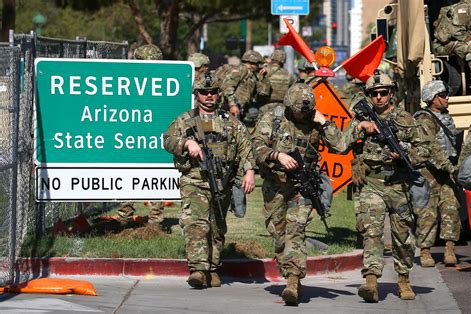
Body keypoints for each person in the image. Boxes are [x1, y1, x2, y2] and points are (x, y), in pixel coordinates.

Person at [251, 83, 347, 305]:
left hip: (301, 187)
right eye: (298, 111)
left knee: (296, 230)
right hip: (275, 186)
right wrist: (277, 155)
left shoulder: (316, 121)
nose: (302, 115)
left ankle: (293, 281)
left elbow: (341, 146)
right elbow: (256, 146)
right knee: (278, 234)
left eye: (306, 111)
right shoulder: (273, 118)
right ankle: (290, 272)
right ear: (288, 106)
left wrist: (324, 122)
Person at [344, 70, 431, 303]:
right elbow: (342, 144)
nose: (379, 97)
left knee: (402, 236)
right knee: (371, 232)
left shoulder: (405, 119)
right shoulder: (362, 119)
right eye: (374, 93)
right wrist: (361, 126)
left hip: (399, 184)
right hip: (372, 183)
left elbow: (425, 150)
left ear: (392, 93)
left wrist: (405, 155)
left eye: (384, 92)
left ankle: (403, 280)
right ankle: (371, 281)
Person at [163, 72, 256, 288]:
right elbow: (167, 140)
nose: (209, 96)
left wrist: (249, 170)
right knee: (196, 224)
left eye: (213, 92)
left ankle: (213, 268)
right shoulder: (185, 120)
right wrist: (186, 143)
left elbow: (246, 147)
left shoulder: (230, 123)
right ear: (197, 95)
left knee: (217, 226)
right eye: (204, 92)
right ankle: (198, 269)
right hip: (194, 181)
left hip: (221, 183)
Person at [413, 80, 462, 267]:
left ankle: (450, 249)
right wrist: (451, 169)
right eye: (442, 95)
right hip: (428, 173)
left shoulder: (446, 117)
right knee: (427, 214)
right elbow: (432, 149)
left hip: (445, 171)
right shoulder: (424, 119)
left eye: (446, 94)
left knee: (451, 209)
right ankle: (425, 252)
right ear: (431, 98)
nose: (447, 97)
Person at [116, 43, 165, 226]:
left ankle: (151, 222)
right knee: (129, 176)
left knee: (156, 178)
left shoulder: (166, 82)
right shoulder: (126, 82)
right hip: (132, 138)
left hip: (152, 139)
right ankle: (127, 219)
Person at [433, 0, 471, 93]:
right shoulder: (463, 7)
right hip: (444, 45)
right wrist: (470, 38)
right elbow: (457, 32)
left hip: (457, 42)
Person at [220, 50, 270, 119]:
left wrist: (264, 77)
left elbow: (263, 93)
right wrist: (232, 105)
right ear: (253, 63)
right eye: (258, 64)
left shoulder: (252, 75)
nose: (260, 66)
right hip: (229, 108)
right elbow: (228, 87)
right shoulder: (240, 70)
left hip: (240, 108)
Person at [257, 49, 295, 117]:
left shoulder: (263, 70)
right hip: (281, 106)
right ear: (283, 61)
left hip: (264, 105)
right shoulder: (288, 74)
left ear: (272, 57)